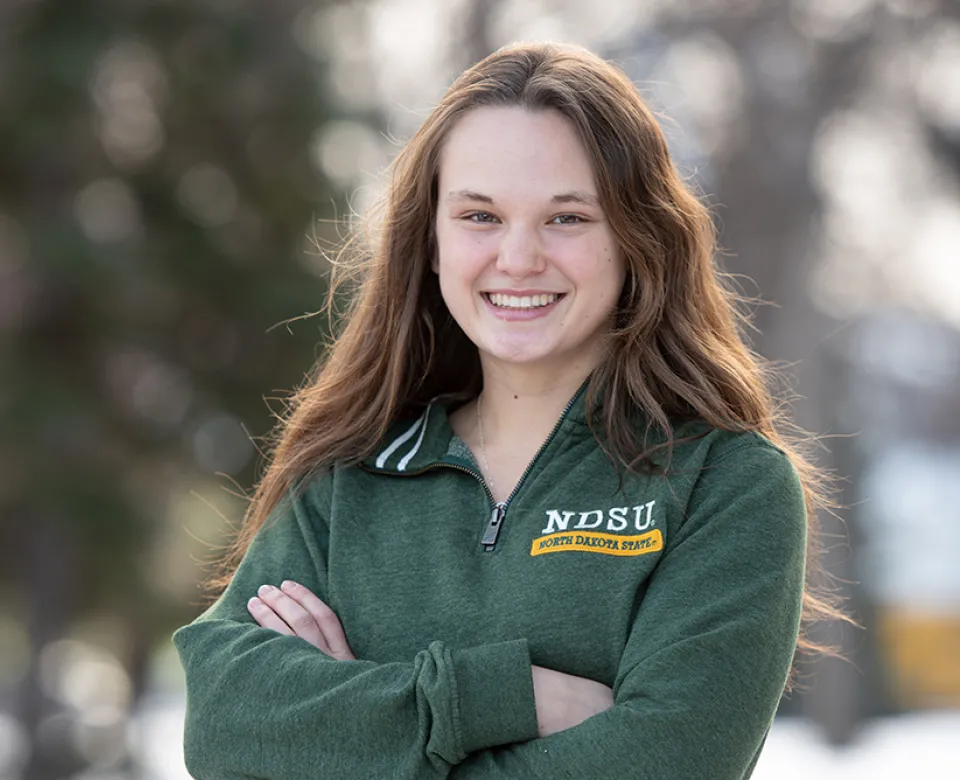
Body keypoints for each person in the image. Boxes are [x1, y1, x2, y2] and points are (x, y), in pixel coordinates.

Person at [173, 41, 841, 779]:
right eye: (481, 216)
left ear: (635, 240)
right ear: (431, 241)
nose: (518, 259)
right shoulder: (345, 481)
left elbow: (670, 760)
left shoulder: (724, 485)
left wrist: (352, 735)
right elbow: (226, 724)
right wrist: (504, 696)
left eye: (567, 219)